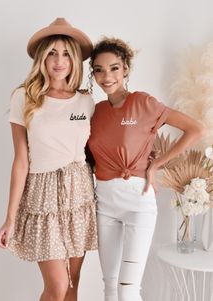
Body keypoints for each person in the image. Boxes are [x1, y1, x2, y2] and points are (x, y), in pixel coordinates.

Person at [87, 37, 205, 301]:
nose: (107, 76)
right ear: (93, 73)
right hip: (104, 202)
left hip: (138, 202)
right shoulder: (96, 111)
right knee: (110, 284)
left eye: (114, 68)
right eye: (99, 69)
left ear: (126, 68)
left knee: (128, 289)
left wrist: (155, 166)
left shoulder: (144, 103)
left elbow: (196, 130)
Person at [0, 18, 97, 301]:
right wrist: (9, 218)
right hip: (42, 197)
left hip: (79, 193)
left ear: (75, 59)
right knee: (58, 287)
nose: (59, 60)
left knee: (73, 285)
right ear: (42, 57)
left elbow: (94, 149)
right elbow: (21, 161)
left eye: (66, 53)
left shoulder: (85, 101)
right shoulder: (24, 98)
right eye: (52, 52)